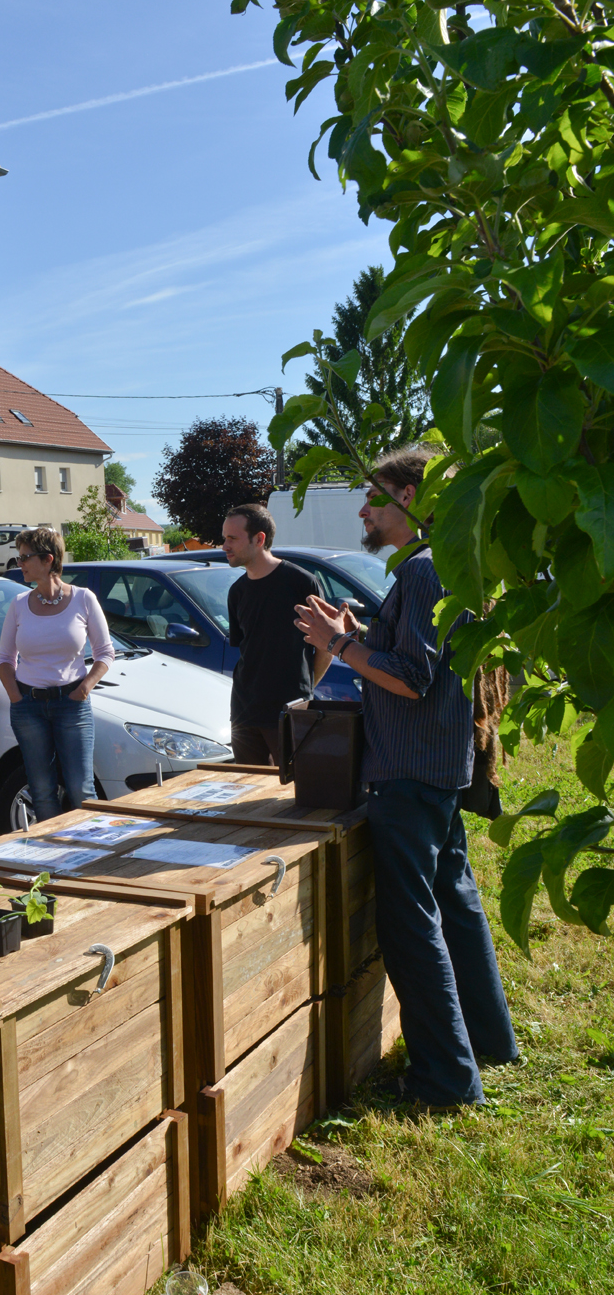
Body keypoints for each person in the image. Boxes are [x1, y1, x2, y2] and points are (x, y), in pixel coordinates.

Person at [294, 447, 519, 1109]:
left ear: (413, 499)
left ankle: (445, 1082)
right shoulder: (448, 563)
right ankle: (487, 1041)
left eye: (374, 496)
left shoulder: (421, 570)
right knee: (456, 903)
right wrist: (358, 637)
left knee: (411, 924)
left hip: (410, 775)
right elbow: (416, 660)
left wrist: (336, 645)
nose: (363, 508)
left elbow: (411, 679)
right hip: (440, 768)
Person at [0, 527, 114, 821]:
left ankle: (91, 852)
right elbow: (4, 659)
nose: (19, 564)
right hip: (28, 706)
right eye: (18, 557)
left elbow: (105, 653)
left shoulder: (83, 599)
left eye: (25, 557)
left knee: (80, 789)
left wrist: (84, 689)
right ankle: (52, 858)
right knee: (42, 790)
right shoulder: (19, 604)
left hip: (72, 704)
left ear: (48, 559)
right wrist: (16, 697)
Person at [221, 503, 330, 766]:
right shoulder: (237, 591)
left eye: (232, 538)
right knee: (249, 789)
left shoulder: (301, 582)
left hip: (290, 711)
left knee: (294, 791)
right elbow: (247, 651)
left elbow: (326, 647)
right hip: (245, 713)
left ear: (259, 539)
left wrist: (305, 692)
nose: (224, 545)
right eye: (224, 538)